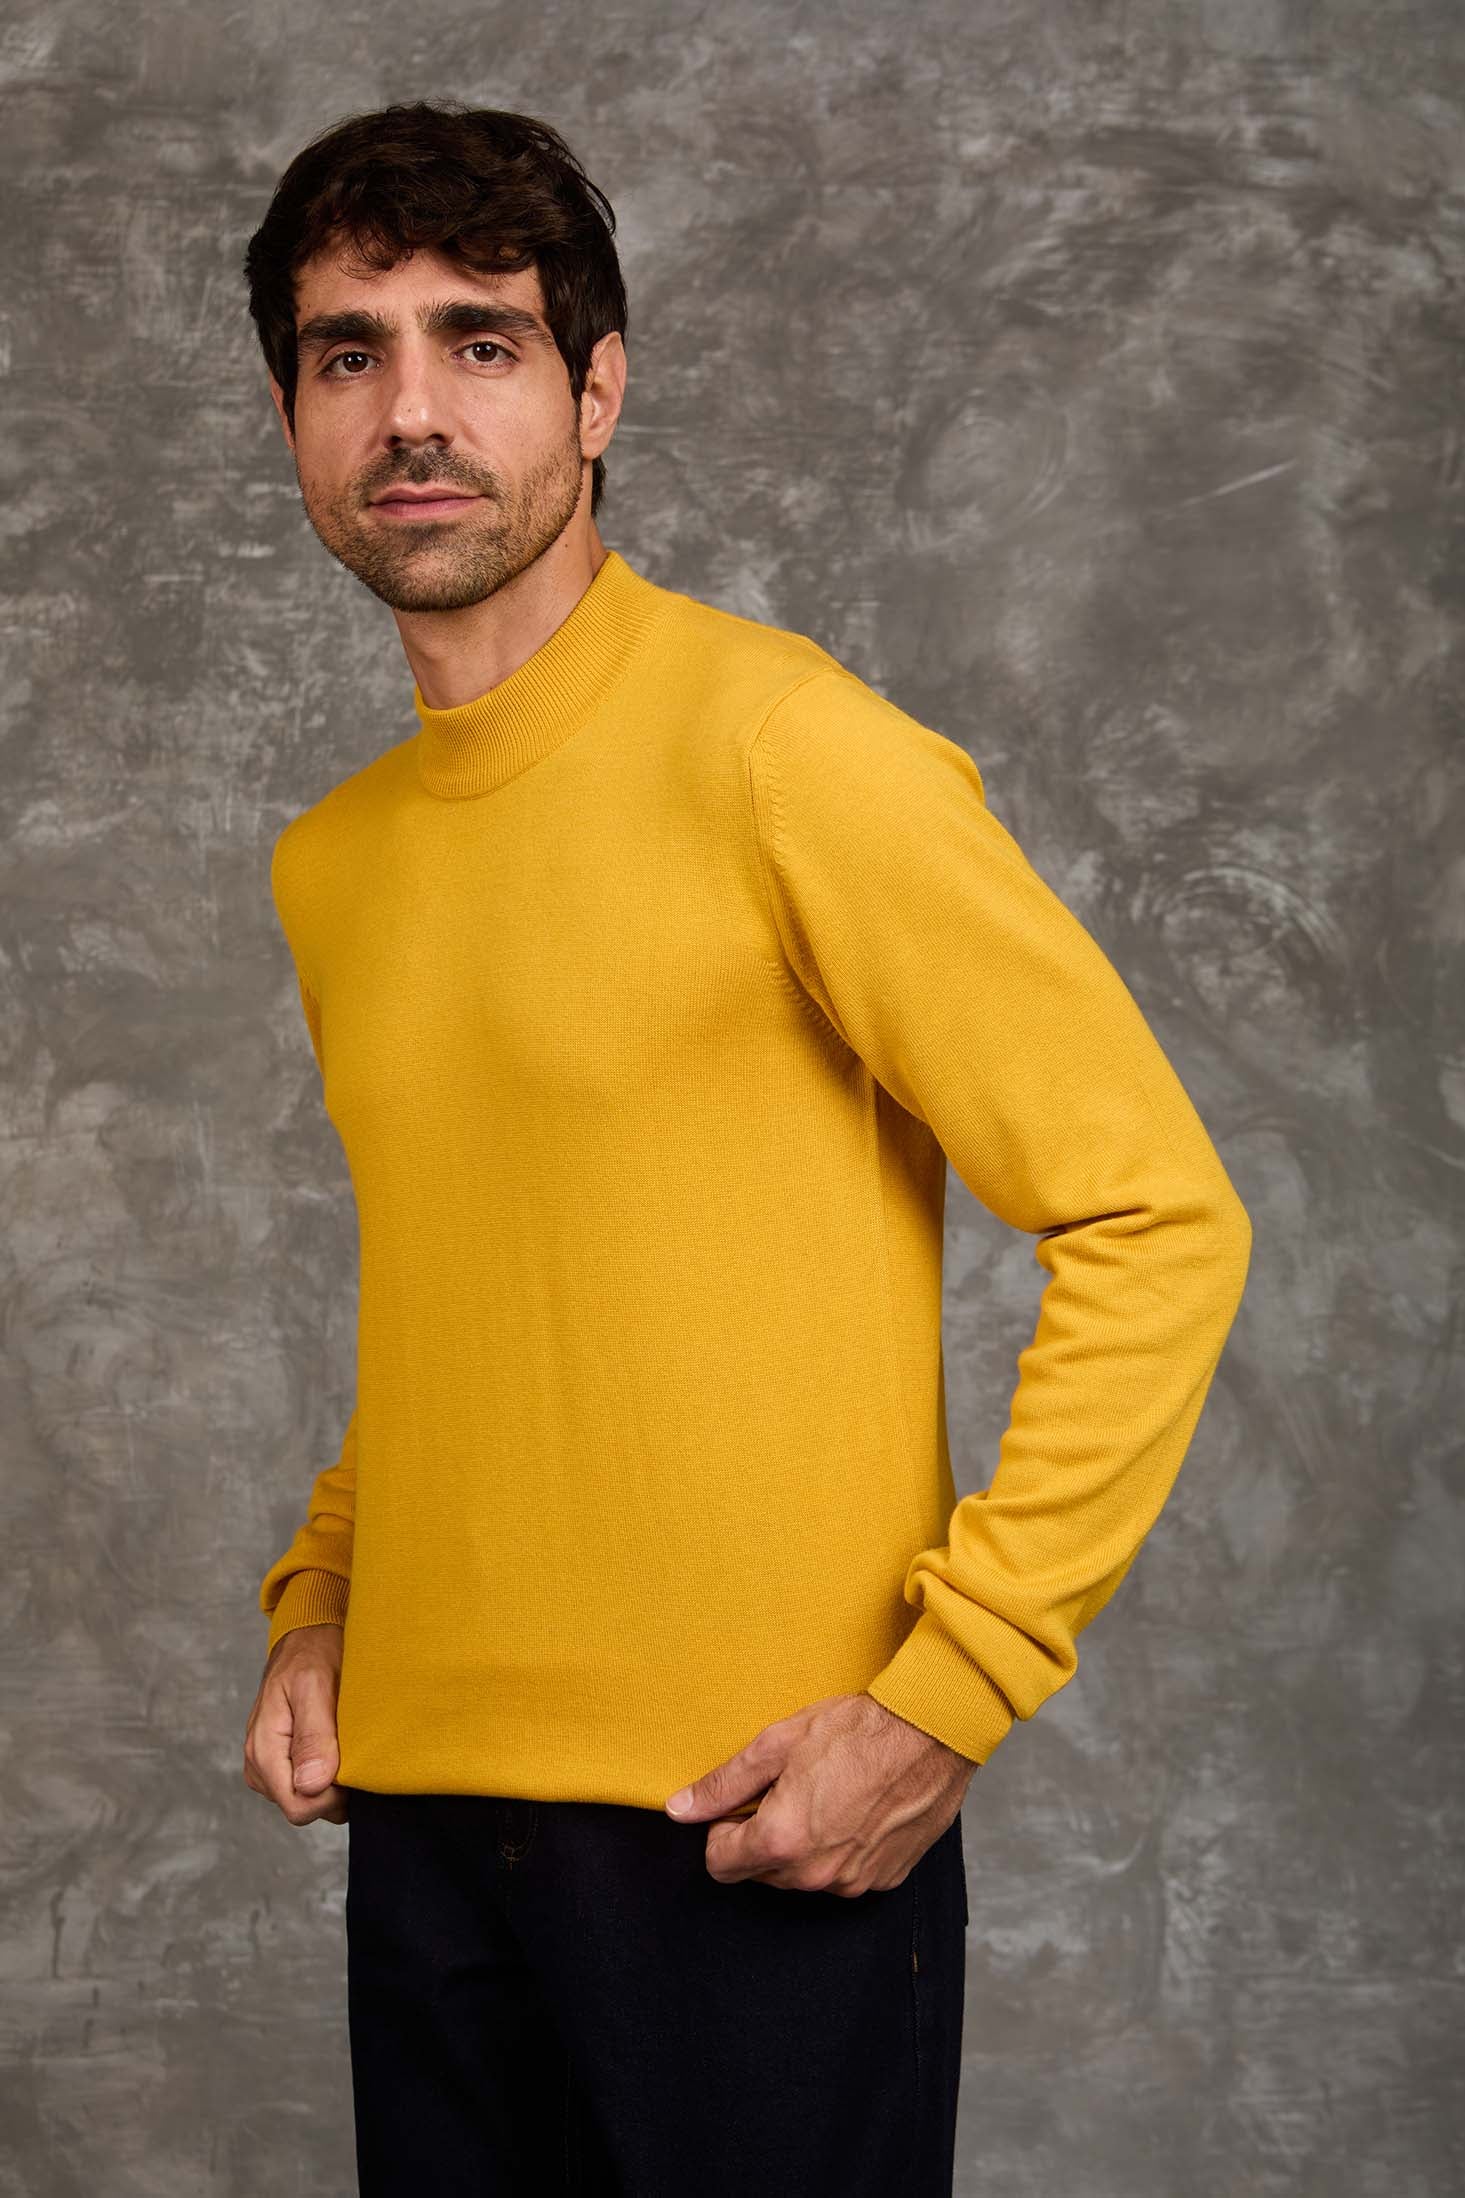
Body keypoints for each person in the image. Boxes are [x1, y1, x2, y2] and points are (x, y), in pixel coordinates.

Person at [238, 99, 1252, 2198]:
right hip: (422, 1837)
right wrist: (322, 1601)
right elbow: (469, 1294)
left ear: (597, 394)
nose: (412, 410)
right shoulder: (334, 866)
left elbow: (1156, 1215)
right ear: (292, 416)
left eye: (481, 342)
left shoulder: (788, 750)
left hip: (755, 1830)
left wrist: (947, 1696)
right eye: (351, 352)